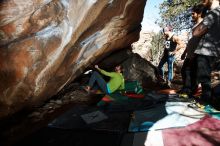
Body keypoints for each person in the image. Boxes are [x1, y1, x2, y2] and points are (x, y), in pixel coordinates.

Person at [192, 0, 220, 106]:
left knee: (204, 77)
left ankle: (205, 101)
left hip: (206, 51)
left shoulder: (213, 13)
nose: (202, 2)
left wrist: (197, 29)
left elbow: (197, 32)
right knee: (205, 77)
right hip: (213, 51)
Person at [180, 4, 207, 95]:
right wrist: (184, 52)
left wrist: (196, 53)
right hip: (190, 53)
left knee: (190, 72)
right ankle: (186, 88)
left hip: (196, 53)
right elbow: (192, 40)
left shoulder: (203, 24)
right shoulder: (196, 25)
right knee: (184, 70)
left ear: (199, 14)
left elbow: (203, 40)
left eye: (193, 13)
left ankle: (190, 90)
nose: (192, 15)